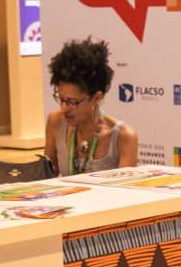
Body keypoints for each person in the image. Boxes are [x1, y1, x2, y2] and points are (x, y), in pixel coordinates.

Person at [43, 37, 137, 175]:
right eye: (61, 99)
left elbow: (126, 187)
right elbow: (46, 178)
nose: (64, 108)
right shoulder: (55, 122)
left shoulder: (123, 137)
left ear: (96, 98)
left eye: (73, 102)